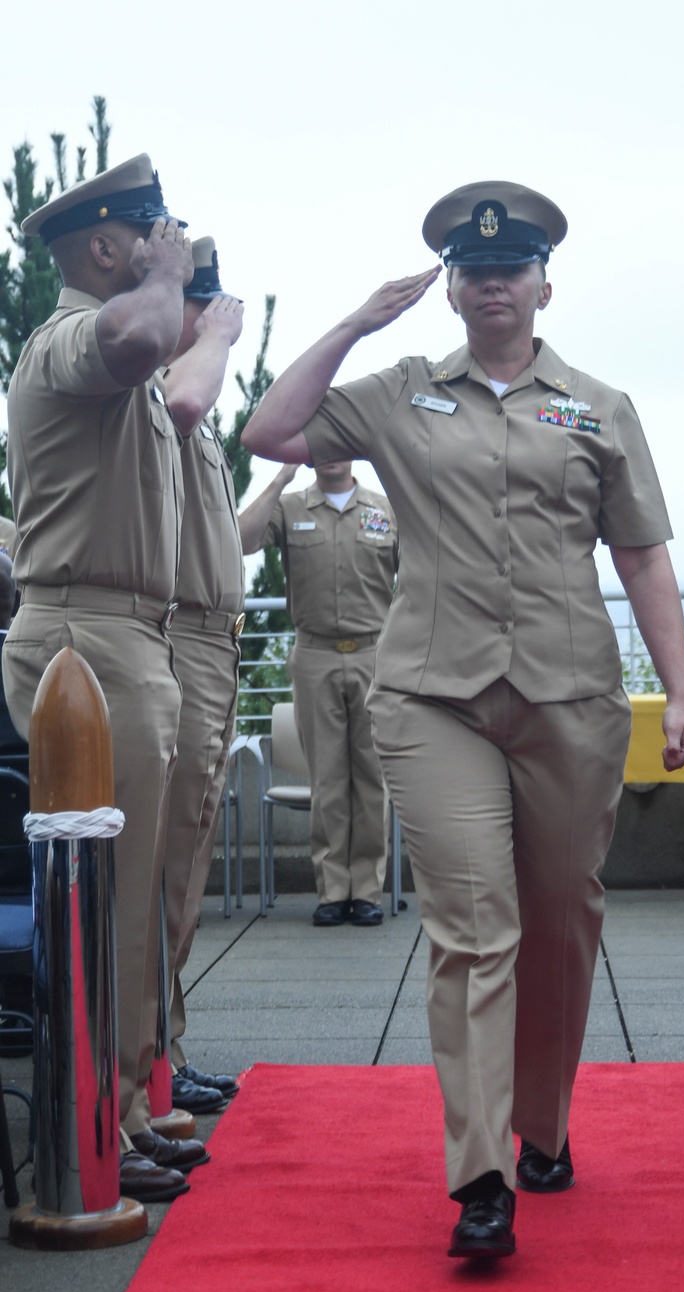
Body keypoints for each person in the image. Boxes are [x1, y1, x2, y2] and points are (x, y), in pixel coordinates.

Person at [243, 180, 684, 1259]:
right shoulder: (399, 392)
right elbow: (270, 428)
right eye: (472, 269)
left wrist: (677, 692)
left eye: (511, 268)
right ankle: (481, 1175)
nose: (492, 282)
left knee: (559, 920)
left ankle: (544, 1128)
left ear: (544, 283)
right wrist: (358, 320)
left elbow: (640, 555)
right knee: (472, 927)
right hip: (431, 696)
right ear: (449, 287)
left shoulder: (597, 405)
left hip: (568, 697)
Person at [2, 155, 195, 1203]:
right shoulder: (78, 334)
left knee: (128, 899)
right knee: (106, 904)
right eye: (156, 233)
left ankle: (117, 1112)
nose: (174, 244)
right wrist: (166, 283)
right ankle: (94, 1133)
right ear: (108, 246)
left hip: (121, 633)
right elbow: (136, 336)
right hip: (86, 635)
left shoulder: (115, 347)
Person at [157, 238, 245, 1119]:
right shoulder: (169, 387)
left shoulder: (200, 399)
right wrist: (209, 339)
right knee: (168, 861)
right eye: (207, 308)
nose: (218, 321)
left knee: (188, 861)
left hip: (211, 641)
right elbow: (182, 398)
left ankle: (163, 1047)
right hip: (179, 636)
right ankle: (150, 1061)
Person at [238, 459, 397, 927]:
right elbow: (242, 541)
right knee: (326, 778)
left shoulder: (385, 510)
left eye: (340, 440)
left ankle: (366, 891)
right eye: (319, 442)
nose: (331, 451)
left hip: (374, 653)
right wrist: (282, 475)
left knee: (371, 778)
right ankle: (332, 891)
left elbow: (426, 574)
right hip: (314, 654)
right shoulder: (288, 507)